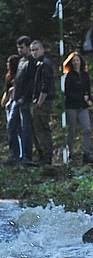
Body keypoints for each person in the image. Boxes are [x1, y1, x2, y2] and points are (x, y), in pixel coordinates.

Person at [6, 36, 36, 166]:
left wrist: (25, 96)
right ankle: (15, 155)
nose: (19, 50)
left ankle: (27, 156)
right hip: (16, 99)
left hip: (25, 100)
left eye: (22, 47)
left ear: (28, 47)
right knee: (12, 126)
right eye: (18, 47)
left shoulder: (31, 62)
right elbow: (17, 80)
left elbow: (31, 82)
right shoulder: (20, 60)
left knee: (26, 128)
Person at [63, 51, 93, 164]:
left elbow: (88, 89)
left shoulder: (85, 75)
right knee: (71, 130)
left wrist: (89, 99)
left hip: (83, 107)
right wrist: (82, 98)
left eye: (77, 60)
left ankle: (86, 153)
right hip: (71, 106)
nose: (76, 63)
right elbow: (67, 93)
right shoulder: (68, 76)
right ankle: (69, 154)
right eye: (74, 61)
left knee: (87, 129)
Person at [30, 40, 55, 165]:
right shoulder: (37, 63)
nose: (34, 52)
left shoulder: (45, 63)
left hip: (44, 101)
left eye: (36, 49)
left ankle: (47, 156)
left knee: (43, 128)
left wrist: (39, 102)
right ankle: (43, 155)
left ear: (42, 49)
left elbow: (46, 85)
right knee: (37, 128)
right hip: (38, 100)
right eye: (32, 50)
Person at [2, 55, 21, 163]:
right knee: (12, 128)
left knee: (14, 127)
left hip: (15, 102)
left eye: (9, 63)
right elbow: (7, 89)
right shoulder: (9, 76)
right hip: (9, 104)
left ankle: (17, 154)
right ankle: (14, 153)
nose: (7, 65)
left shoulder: (18, 76)